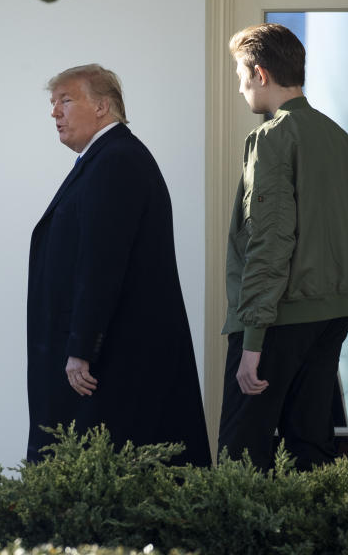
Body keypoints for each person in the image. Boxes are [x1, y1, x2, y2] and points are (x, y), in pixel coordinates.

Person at [26, 64, 211, 467]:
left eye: (66, 100)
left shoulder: (117, 161)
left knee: (111, 481)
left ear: (102, 106)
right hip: (110, 360)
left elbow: (102, 261)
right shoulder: (107, 159)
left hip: (111, 365)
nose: (54, 112)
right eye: (53, 103)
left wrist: (81, 347)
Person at [218, 24, 348, 472]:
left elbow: (269, 240)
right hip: (332, 315)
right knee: (310, 449)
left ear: (260, 73)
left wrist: (252, 339)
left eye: (240, 74)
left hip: (278, 318)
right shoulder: (338, 137)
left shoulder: (272, 138)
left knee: (241, 457)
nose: (241, 85)